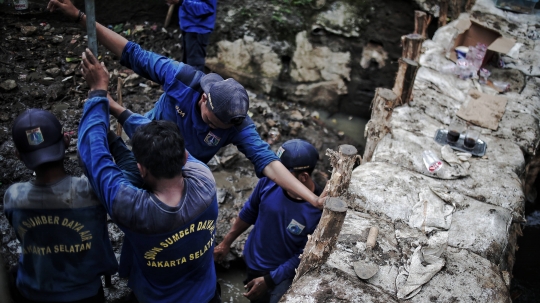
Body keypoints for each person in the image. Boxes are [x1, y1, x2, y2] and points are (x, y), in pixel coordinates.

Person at [47, 0, 327, 210]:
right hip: (145, 142)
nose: (212, 127)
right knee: (106, 183)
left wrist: (313, 199)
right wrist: (80, 17)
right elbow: (132, 53)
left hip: (180, 173)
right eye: (211, 121)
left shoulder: (237, 124)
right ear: (204, 97)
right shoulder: (181, 77)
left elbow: (268, 162)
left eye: (220, 128)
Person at [77, 48, 220, 303]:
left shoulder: (133, 209)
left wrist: (98, 94)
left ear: (141, 168)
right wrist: (116, 108)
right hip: (206, 294)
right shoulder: (205, 181)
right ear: (185, 158)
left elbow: (93, 156)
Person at [3, 108, 119, 302]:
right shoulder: (90, 191)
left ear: (18, 155)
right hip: (86, 293)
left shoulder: (13, 197)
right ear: (66, 141)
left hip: (33, 291)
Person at [213, 139, 324, 303]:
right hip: (253, 259)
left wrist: (270, 280)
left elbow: (304, 253)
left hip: (281, 275)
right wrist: (226, 242)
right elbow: (250, 211)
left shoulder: (318, 211)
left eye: (283, 173)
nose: (276, 175)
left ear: (303, 176)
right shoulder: (269, 181)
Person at [165, 0, 217, 71]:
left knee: (194, 67)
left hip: (198, 29)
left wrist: (181, 1)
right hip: (187, 27)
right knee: (186, 64)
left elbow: (208, 7)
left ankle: (198, 82)